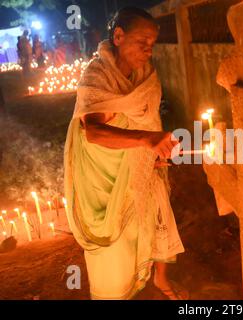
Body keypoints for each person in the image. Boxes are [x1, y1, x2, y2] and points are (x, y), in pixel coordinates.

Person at [64, 7, 187, 300]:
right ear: (118, 36)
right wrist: (147, 140)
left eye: (152, 43)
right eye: (141, 41)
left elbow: (149, 118)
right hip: (102, 174)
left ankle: (160, 279)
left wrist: (155, 148)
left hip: (140, 159)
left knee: (154, 214)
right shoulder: (97, 74)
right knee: (115, 243)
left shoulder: (146, 73)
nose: (148, 50)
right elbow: (92, 132)